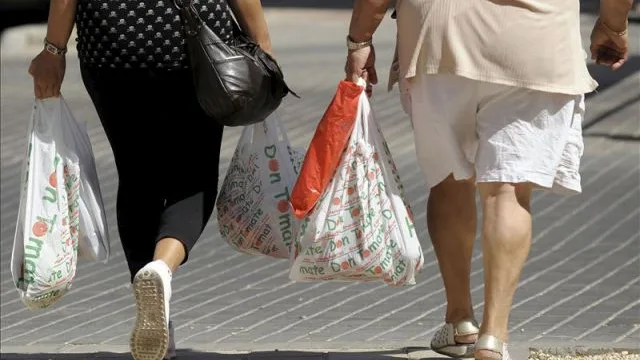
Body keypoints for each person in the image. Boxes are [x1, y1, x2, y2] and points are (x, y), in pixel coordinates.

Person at [344, 0, 632, 359]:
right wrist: (613, 25)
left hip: (440, 37)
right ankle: (494, 336)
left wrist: (360, 40)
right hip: (535, 39)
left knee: (449, 180)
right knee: (507, 190)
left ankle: (460, 319)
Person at [28, 0, 274, 359]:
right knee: (193, 173)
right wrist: (263, 44)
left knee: (136, 173)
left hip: (112, 45)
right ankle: (160, 270)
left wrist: (54, 49)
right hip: (192, 40)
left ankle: (161, 320)